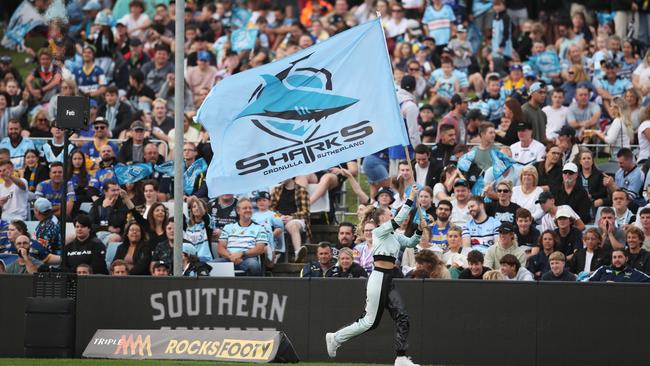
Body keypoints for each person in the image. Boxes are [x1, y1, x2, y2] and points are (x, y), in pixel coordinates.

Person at [326, 185, 423, 366]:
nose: (391, 215)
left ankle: (401, 358)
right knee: (369, 322)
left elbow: (411, 242)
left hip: (389, 278)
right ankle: (336, 338)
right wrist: (410, 198)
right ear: (381, 220)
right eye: (388, 214)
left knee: (402, 317)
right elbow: (401, 218)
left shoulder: (395, 236)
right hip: (378, 277)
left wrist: (419, 230)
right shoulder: (379, 232)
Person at [217, 198, 269, 276]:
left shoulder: (260, 228)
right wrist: (231, 257)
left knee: (253, 265)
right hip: (229, 258)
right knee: (210, 265)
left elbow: (260, 249)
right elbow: (220, 248)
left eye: (250, 208)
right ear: (238, 211)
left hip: (248, 258)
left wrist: (242, 254)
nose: (248, 210)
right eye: (245, 208)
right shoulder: (228, 227)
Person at [270, 178, 310, 262]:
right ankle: (274, 255)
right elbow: (271, 209)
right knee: (276, 225)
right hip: (279, 218)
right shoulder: (276, 190)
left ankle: (298, 253)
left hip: (296, 219)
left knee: (293, 225)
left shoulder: (302, 190)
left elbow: (306, 212)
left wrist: (292, 217)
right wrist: (279, 216)